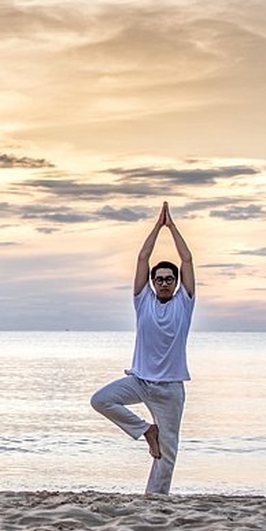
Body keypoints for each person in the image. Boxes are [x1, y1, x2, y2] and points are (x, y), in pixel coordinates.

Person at [91, 202, 196, 494]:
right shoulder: (143, 300)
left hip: (171, 388)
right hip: (140, 380)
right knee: (101, 400)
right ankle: (145, 431)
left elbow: (187, 260)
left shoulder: (184, 303)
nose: (164, 283)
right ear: (152, 282)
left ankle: (154, 501)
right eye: (159, 279)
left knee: (168, 452)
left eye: (169, 279)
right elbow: (142, 258)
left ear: (176, 284)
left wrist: (172, 228)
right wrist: (156, 227)